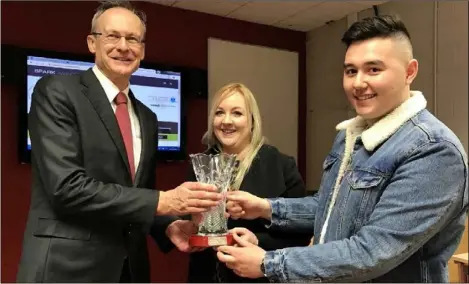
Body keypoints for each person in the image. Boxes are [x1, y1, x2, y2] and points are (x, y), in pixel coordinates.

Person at [215, 15, 469, 282]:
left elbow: (372, 251)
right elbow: (330, 206)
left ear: (410, 71)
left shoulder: (434, 151)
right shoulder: (351, 134)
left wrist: (269, 263)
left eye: (373, 69)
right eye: (350, 71)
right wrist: (266, 207)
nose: (358, 83)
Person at [16, 1, 222, 283]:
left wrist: (168, 226)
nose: (123, 46)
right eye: (112, 36)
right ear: (92, 43)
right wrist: (165, 201)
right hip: (66, 267)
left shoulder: (147, 117)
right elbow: (66, 189)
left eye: (133, 39)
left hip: (129, 269)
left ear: (143, 50)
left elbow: (139, 192)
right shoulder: (56, 92)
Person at [186, 83, 312, 283]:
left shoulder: (280, 165)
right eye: (219, 113)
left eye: (237, 113)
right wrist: (192, 221)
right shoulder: (201, 164)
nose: (226, 121)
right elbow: (187, 222)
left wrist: (258, 241)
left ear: (252, 121)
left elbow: (303, 233)